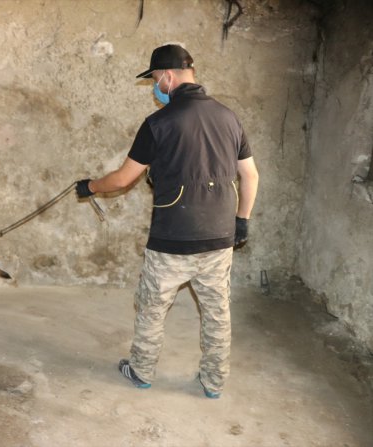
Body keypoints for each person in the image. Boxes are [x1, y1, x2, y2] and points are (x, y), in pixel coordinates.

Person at [76, 44, 259, 399]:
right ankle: (213, 382)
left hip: (173, 238)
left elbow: (123, 179)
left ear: (169, 76)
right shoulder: (229, 117)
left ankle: (142, 371)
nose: (157, 87)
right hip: (219, 235)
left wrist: (90, 186)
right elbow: (250, 176)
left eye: (156, 79)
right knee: (217, 312)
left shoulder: (158, 124)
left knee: (152, 306)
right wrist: (242, 222)